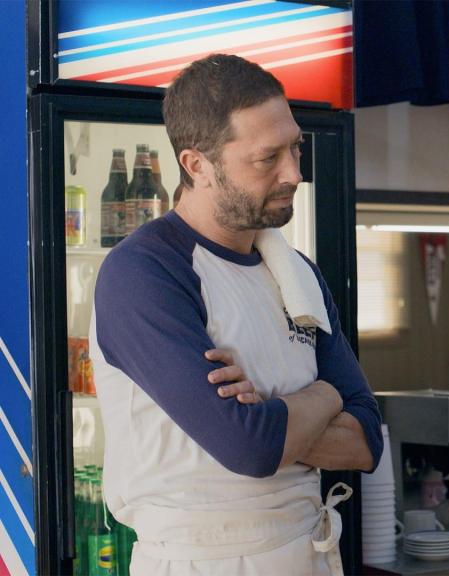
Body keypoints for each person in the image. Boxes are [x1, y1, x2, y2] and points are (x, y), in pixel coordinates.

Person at [90, 54, 383, 574]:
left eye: (295, 147)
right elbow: (249, 448)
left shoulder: (296, 272)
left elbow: (366, 441)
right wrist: (326, 394)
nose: (294, 173)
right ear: (196, 165)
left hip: (310, 550)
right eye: (267, 158)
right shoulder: (144, 271)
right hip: (201, 560)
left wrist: (270, 412)